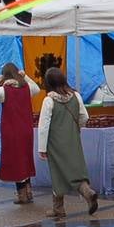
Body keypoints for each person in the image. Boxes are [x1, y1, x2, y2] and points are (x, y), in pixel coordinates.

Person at [36, 68, 97, 219]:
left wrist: (42, 147)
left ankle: (59, 208)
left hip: (55, 142)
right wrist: (75, 129)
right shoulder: (76, 96)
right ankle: (86, 191)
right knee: (76, 169)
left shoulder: (49, 100)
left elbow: (43, 126)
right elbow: (84, 117)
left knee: (57, 172)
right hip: (73, 138)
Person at [0, 62, 41, 204]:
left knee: (16, 162)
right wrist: (25, 76)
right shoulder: (27, 88)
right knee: (26, 159)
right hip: (27, 129)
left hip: (11, 131)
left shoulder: (5, 90)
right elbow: (38, 89)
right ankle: (29, 191)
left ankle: (22, 194)